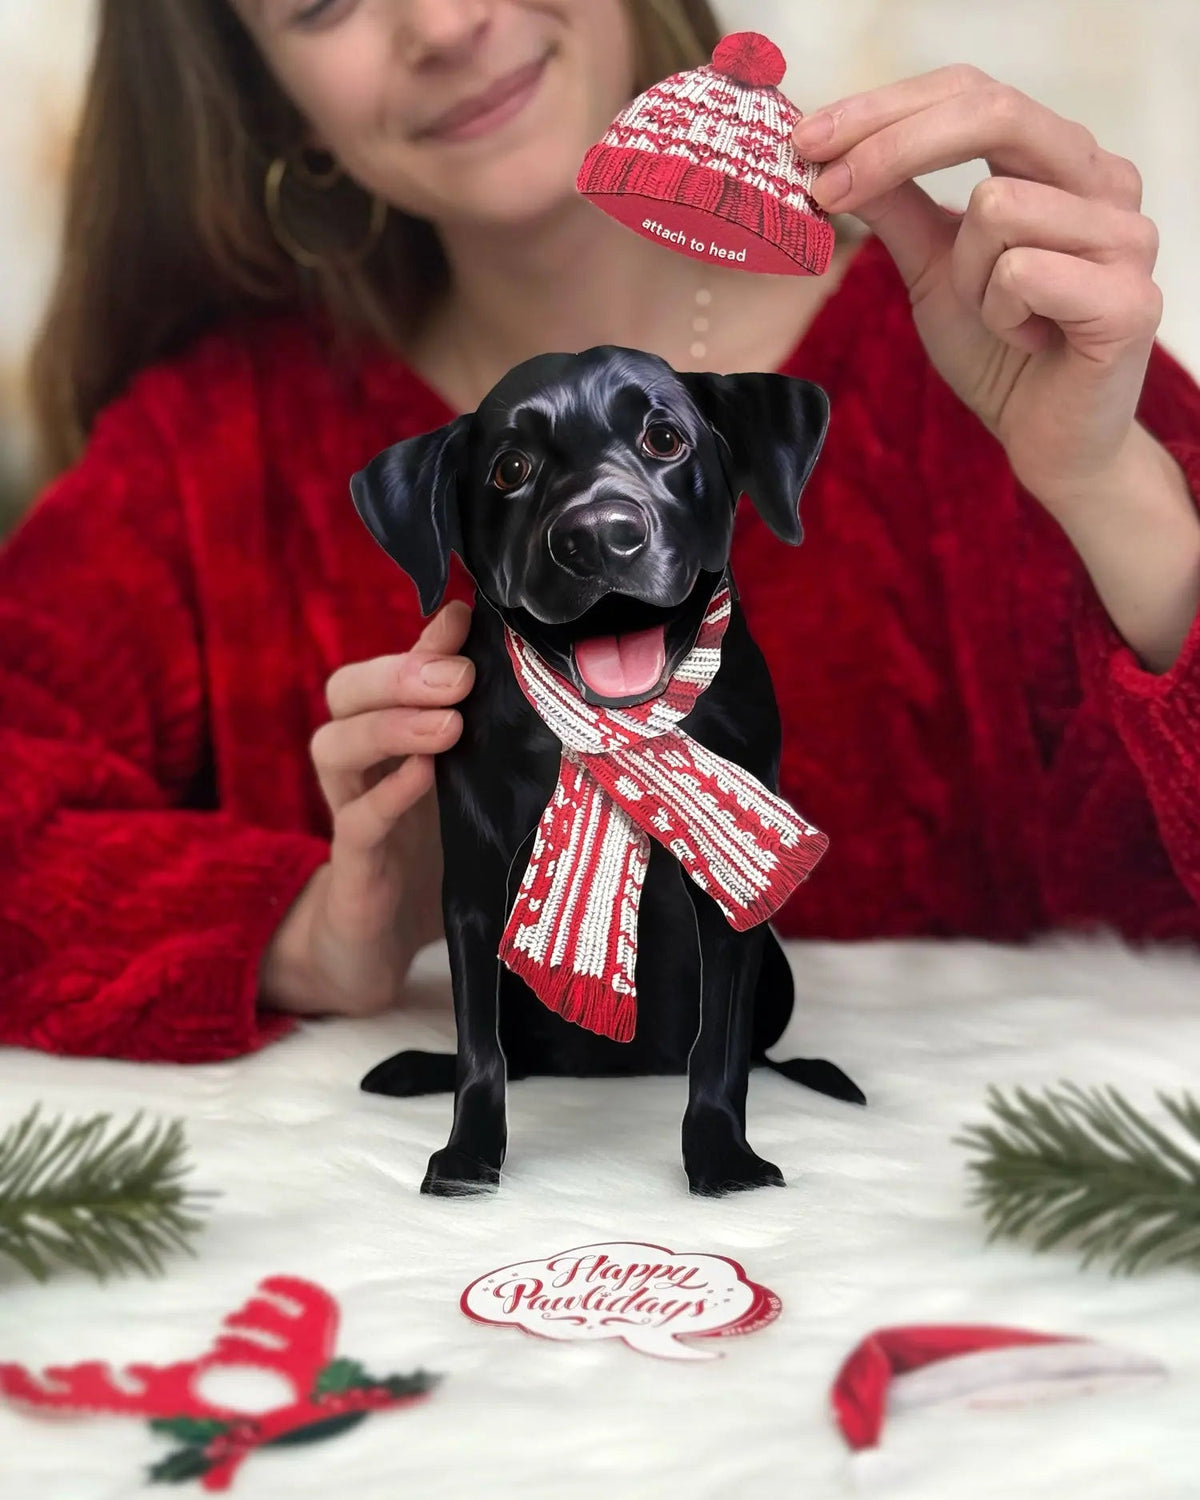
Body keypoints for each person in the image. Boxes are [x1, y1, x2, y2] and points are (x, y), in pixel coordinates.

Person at [1, 0, 1197, 1065]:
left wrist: (1104, 483)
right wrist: (311, 935)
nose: (442, 22)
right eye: (323, 4)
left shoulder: (991, 359)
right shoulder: (207, 456)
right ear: (270, 98)